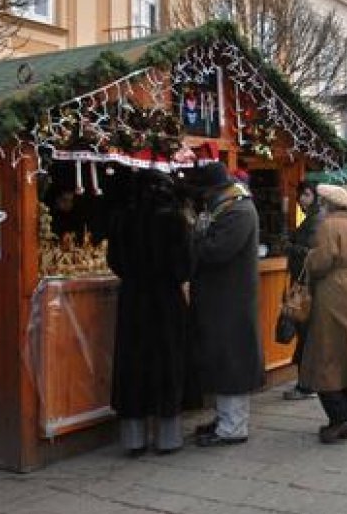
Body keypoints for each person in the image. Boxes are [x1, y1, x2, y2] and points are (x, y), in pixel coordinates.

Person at [107, 170, 194, 455]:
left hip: (133, 301)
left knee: (132, 366)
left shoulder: (122, 218)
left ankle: (134, 439)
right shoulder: (174, 220)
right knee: (166, 363)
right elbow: (184, 266)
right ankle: (168, 438)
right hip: (166, 302)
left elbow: (114, 261)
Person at [190, 162, 263, 447]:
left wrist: (194, 237)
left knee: (232, 363)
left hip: (230, 301)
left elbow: (216, 251)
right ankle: (225, 420)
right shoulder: (231, 208)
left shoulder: (238, 212)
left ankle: (233, 427)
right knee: (223, 362)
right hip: (224, 300)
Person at [300, 184, 347, 443]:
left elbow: (322, 260)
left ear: (328, 203)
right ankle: (345, 412)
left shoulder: (329, 226)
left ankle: (339, 418)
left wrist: (309, 258)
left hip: (332, 292)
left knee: (326, 352)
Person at [283, 181, 320, 401]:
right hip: (304, 285)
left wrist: (289, 246)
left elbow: (311, 253)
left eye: (306, 194)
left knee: (305, 335)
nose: (302, 199)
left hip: (305, 287)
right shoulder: (311, 217)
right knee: (304, 335)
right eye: (301, 194)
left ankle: (306, 385)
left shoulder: (316, 220)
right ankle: (306, 383)